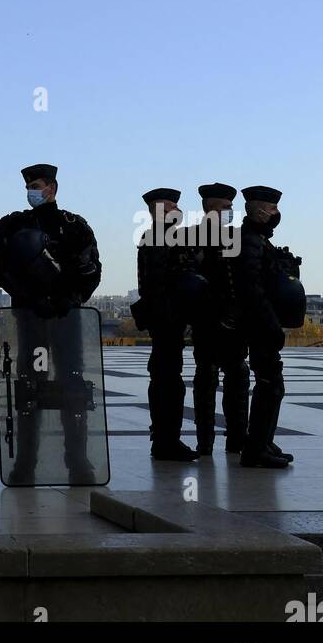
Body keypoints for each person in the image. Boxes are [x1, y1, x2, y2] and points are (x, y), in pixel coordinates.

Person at [0, 162, 102, 484]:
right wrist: (29, 296)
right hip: (31, 318)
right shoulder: (13, 225)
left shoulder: (75, 226)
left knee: (72, 388)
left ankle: (78, 463)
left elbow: (91, 269)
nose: (32, 191)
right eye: (29, 186)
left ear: (52, 188)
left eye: (38, 185)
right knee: (29, 388)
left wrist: (69, 300)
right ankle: (25, 464)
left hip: (66, 319)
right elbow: (3, 269)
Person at [229, 186, 293, 469]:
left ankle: (263, 440)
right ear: (257, 210)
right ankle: (256, 448)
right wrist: (270, 324)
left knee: (272, 384)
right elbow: (251, 288)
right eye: (272, 208)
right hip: (257, 325)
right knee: (269, 384)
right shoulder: (250, 240)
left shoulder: (256, 239)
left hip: (258, 323)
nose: (276, 214)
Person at [134, 188, 201, 461]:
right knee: (167, 382)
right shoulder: (159, 240)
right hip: (166, 319)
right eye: (170, 206)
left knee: (168, 380)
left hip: (167, 319)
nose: (176, 209)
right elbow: (165, 285)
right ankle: (166, 441)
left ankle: (166, 439)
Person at [189, 182, 249, 456]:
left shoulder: (236, 237)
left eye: (231, 207)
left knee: (237, 379)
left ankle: (237, 438)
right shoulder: (191, 238)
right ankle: (205, 441)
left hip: (235, 324)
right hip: (207, 322)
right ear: (210, 208)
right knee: (206, 379)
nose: (230, 211)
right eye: (225, 207)